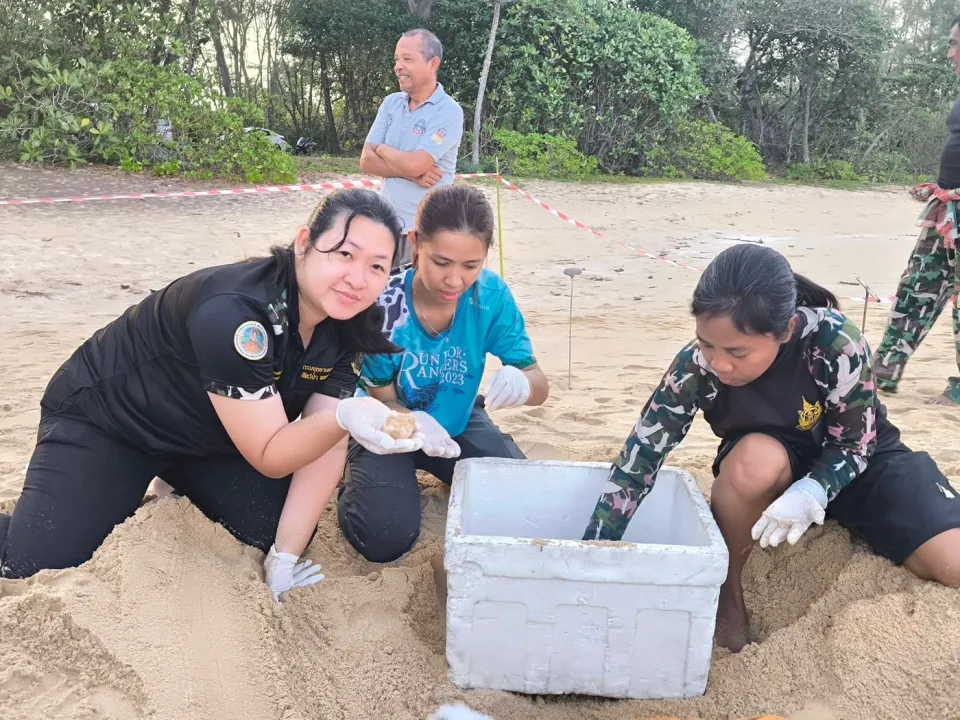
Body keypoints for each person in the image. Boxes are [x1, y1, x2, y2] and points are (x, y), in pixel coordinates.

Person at [0, 188, 427, 599]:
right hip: (112, 420)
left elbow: (325, 444)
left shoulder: (348, 324)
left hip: (208, 437)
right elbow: (272, 453)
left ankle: (174, 478)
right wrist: (344, 417)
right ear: (304, 243)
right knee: (37, 562)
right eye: (345, 254)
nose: (358, 279)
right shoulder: (237, 313)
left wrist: (284, 558)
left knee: (274, 530)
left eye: (377, 267)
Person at [582, 244, 960, 653]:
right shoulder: (695, 366)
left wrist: (815, 488)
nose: (719, 363)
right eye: (707, 344)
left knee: (951, 564)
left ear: (786, 330)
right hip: (771, 468)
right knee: (756, 460)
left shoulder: (834, 341)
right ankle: (727, 595)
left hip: (862, 460)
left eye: (737, 352)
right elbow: (638, 461)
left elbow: (856, 443)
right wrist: (592, 552)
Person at [337, 184, 549, 562]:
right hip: (388, 424)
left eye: (471, 265)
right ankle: (353, 478)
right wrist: (414, 422)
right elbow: (382, 399)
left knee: (522, 498)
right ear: (415, 243)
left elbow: (538, 383)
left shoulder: (490, 297)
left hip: (457, 420)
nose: (455, 281)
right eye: (441, 262)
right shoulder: (384, 306)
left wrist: (522, 383)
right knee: (384, 538)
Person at [874, 17, 960, 405]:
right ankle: (883, 373)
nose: (949, 53)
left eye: (955, 44)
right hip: (945, 211)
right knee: (917, 286)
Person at [360, 28, 465, 266]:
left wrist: (383, 149)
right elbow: (366, 161)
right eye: (397, 59)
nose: (398, 66)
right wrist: (409, 173)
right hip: (385, 227)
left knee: (414, 289)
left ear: (433, 64)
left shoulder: (448, 111)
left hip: (424, 233)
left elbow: (417, 164)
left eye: (407, 59)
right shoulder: (391, 104)